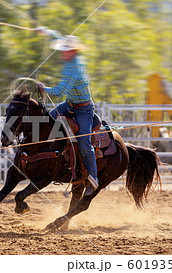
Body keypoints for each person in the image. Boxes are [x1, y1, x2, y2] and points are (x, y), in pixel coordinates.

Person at [36, 29, 99, 196]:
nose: (62, 53)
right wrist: (46, 31)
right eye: (62, 49)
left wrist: (44, 88)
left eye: (65, 50)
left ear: (73, 51)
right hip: (70, 104)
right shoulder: (73, 60)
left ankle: (93, 176)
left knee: (84, 140)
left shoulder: (74, 69)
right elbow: (57, 35)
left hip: (84, 110)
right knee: (47, 123)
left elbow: (60, 90)